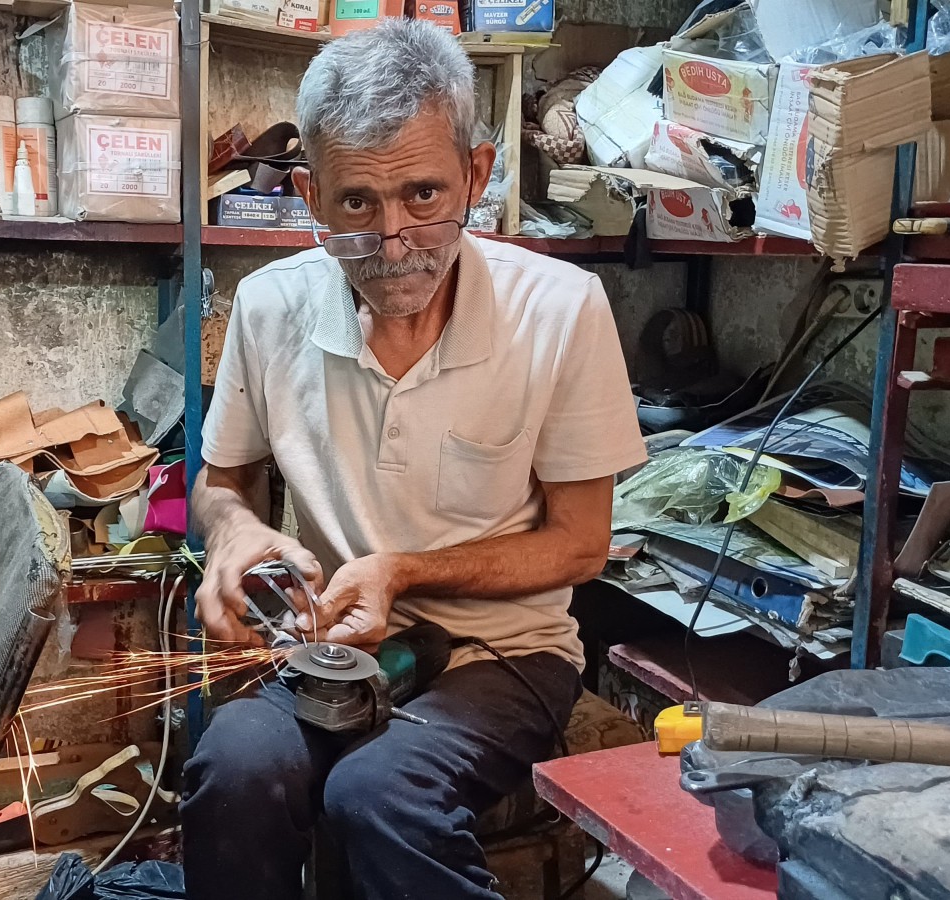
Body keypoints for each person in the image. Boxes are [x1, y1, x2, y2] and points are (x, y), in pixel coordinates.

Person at [181, 19, 646, 900]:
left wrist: (402, 571)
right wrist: (236, 534)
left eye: (425, 195)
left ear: (475, 174)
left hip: (504, 654)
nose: (394, 239)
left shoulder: (562, 310)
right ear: (312, 197)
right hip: (329, 649)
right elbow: (223, 479)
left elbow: (583, 544)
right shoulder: (268, 308)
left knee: (379, 793)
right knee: (234, 772)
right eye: (357, 203)